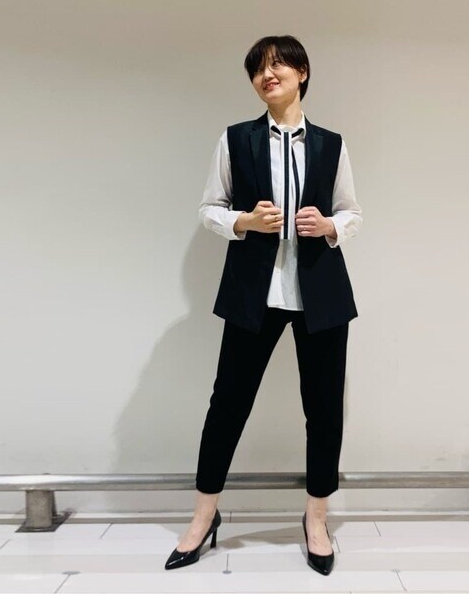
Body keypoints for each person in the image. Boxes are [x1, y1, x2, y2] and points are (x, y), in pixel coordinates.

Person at [165, 34, 362, 576]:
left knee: (324, 410)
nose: (266, 75)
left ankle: (316, 519)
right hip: (254, 292)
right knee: (227, 404)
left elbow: (352, 212)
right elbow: (209, 207)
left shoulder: (331, 144)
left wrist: (330, 226)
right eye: (257, 69)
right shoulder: (236, 139)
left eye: (277, 65)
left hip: (321, 295)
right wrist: (245, 222)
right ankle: (204, 516)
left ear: (302, 72)